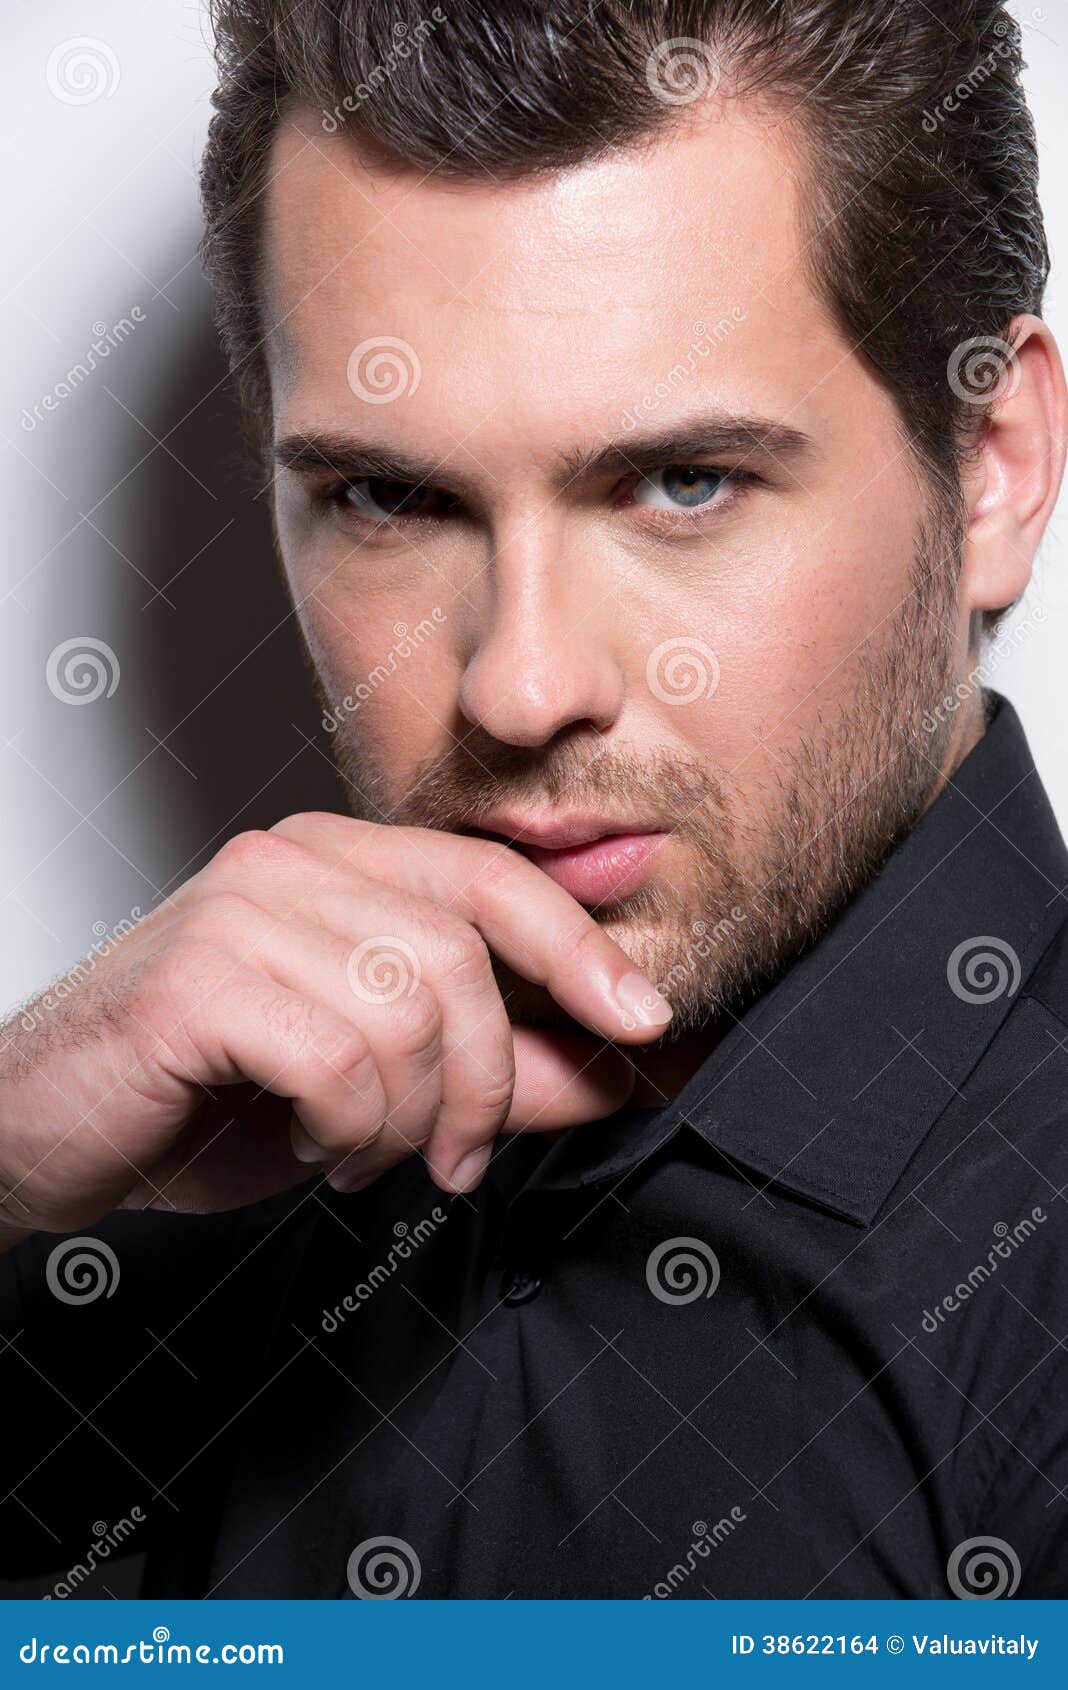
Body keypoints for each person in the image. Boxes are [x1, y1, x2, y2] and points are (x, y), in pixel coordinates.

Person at [1, 0, 1066, 1599]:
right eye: (392, 497)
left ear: (989, 462)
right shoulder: (143, 1181)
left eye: (679, 482)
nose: (519, 685)